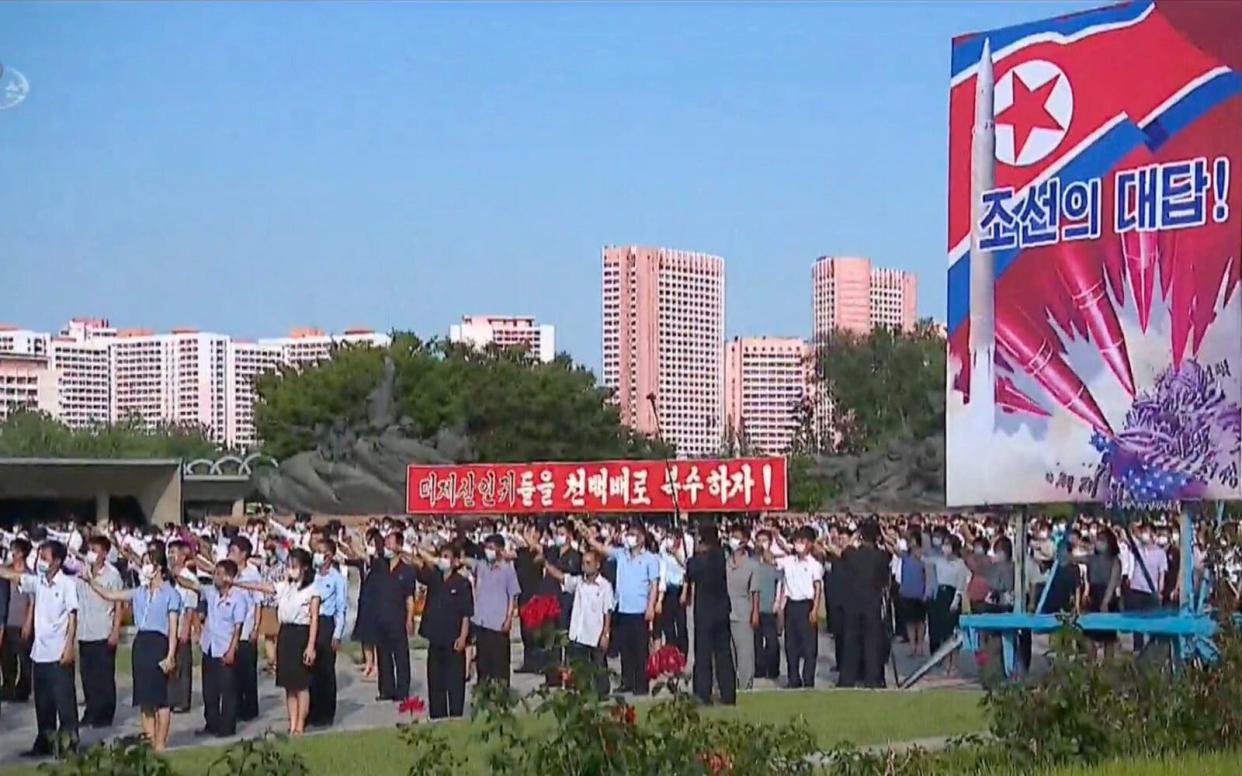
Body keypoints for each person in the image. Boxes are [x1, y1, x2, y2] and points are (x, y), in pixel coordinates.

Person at [85, 541, 180, 752]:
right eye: (143, 563)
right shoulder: (139, 592)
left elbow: (173, 627)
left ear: (159, 568)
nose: (144, 568)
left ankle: (160, 743)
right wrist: (90, 581)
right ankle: (149, 739)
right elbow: (110, 595)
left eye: (148, 563)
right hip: (142, 643)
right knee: (145, 698)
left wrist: (171, 654)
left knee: (161, 698)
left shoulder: (170, 594)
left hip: (159, 643)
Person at [0, 540, 80, 757]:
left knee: (64, 702)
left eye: (44, 557)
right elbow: (12, 576)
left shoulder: (67, 584)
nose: (40, 561)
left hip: (59, 653)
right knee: (43, 704)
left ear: (57, 561)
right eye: (39, 556)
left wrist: (69, 646)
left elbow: (73, 616)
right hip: (40, 653)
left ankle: (69, 744)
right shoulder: (39, 582)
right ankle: (44, 742)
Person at [234, 547, 321, 735]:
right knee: (289, 684)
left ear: (304, 568)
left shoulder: (312, 590)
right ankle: (292, 723)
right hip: (286, 633)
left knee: (301, 683)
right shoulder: (285, 587)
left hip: (302, 633)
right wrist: (238, 584)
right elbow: (263, 587)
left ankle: (300, 724)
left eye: (294, 566)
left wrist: (311, 646)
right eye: (289, 566)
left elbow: (314, 618)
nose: (291, 570)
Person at [174, 559, 246, 737]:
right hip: (209, 648)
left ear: (229, 577)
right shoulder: (211, 592)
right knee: (209, 691)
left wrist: (231, 650)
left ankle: (227, 727)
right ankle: (211, 723)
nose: (216, 577)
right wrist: (175, 574)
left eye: (220, 573)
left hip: (225, 649)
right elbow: (192, 585)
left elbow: (238, 628)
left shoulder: (238, 598)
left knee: (227, 692)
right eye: (215, 573)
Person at [536, 544, 614, 698]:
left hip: (595, 634)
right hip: (579, 634)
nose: (585, 566)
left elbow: (607, 612)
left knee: (599, 668)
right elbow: (561, 577)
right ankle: (583, 692)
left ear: (597, 565)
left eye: (588, 563)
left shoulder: (605, 586)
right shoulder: (579, 583)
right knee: (579, 667)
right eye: (583, 563)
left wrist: (606, 634)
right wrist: (545, 563)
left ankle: (602, 694)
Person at [589, 524, 658, 695]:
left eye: (633, 535)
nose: (629, 538)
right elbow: (602, 549)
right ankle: (627, 681)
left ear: (641, 538)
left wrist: (651, 606)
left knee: (640, 649)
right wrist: (587, 535)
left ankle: (641, 684)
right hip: (622, 608)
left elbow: (654, 585)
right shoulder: (621, 555)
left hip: (639, 610)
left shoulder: (650, 559)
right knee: (625, 649)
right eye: (628, 534)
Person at [408, 544, 472, 718]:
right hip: (435, 638)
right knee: (435, 680)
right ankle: (438, 714)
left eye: (447, 556)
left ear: (456, 561)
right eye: (441, 556)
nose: (443, 559)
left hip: (454, 640)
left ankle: (456, 713)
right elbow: (419, 566)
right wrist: (410, 551)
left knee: (455, 681)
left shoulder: (462, 583)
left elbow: (466, 613)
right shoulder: (434, 578)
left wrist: (463, 637)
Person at [75, 535, 122, 728]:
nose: (92, 553)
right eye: (90, 549)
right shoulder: (82, 572)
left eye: (96, 549)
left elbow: (119, 604)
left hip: (103, 631)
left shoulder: (113, 575)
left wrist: (115, 630)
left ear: (104, 552)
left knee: (103, 676)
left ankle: (105, 713)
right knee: (87, 675)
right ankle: (91, 711)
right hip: (85, 631)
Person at [685, 525, 736, 705]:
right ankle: (728, 694)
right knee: (724, 654)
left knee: (703, 655)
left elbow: (690, 572)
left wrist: (690, 559)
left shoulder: (699, 560)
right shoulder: (721, 556)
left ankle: (702, 693)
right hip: (722, 611)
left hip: (705, 612)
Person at [836, 522, 891, 688]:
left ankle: (847, 678)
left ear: (861, 537)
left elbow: (843, 549)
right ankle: (872, 678)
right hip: (872, 602)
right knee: (872, 643)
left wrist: (854, 536)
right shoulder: (881, 556)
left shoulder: (851, 554)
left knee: (851, 641)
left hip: (852, 603)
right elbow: (884, 581)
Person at [466, 534, 520, 687]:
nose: (488, 551)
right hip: (481, 622)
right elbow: (464, 561)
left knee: (499, 666)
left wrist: (509, 619)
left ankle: (501, 699)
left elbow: (512, 596)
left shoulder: (507, 570)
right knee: (483, 665)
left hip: (498, 625)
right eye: (486, 548)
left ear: (500, 550)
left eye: (491, 548)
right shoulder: (481, 566)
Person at [774, 527, 824, 689]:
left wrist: (815, 609)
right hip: (791, 605)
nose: (798, 545)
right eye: (796, 541)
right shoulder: (788, 561)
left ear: (810, 544)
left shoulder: (814, 565)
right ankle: (793, 678)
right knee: (791, 645)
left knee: (809, 647)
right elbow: (771, 561)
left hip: (806, 605)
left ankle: (808, 679)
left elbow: (817, 588)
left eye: (802, 541)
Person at [373, 531, 417, 701]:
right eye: (386, 543)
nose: (387, 546)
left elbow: (410, 597)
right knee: (383, 656)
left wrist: (409, 619)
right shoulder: (380, 567)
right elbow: (362, 556)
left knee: (400, 656)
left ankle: (402, 689)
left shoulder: (406, 571)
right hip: (381, 617)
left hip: (398, 618)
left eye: (390, 543)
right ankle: (386, 689)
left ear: (398, 546)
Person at [308, 538, 347, 728]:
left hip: (326, 624)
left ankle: (326, 714)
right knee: (310, 671)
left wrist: (337, 633)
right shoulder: (311, 575)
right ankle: (311, 712)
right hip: (309, 622)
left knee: (325, 671)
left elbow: (341, 608)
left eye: (321, 551)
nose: (317, 554)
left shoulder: (337, 579)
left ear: (329, 556)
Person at [928, 535, 969, 676]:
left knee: (953, 632)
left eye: (948, 544)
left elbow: (961, 584)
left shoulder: (960, 564)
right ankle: (946, 663)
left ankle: (954, 665)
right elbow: (924, 558)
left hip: (952, 595)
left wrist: (956, 600)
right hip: (941, 594)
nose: (945, 547)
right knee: (942, 633)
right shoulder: (939, 561)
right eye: (944, 544)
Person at [724, 526, 759, 692]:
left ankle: (746, 684)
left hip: (744, 611)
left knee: (744, 652)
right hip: (725, 610)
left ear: (744, 541)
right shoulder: (725, 562)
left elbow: (755, 592)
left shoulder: (752, 565)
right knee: (727, 652)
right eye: (732, 536)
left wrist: (755, 613)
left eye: (736, 537)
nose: (733, 539)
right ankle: (728, 684)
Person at [1125, 523, 1168, 653]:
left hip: (1151, 591)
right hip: (1136, 589)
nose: (1145, 535)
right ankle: (1137, 648)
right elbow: (1128, 536)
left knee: (1152, 621)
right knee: (1136, 621)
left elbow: (1162, 573)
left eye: (1147, 532)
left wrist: (1160, 591)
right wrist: (1134, 526)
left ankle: (1152, 648)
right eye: (1144, 532)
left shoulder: (1161, 554)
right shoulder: (1138, 549)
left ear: (1153, 535)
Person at [167, 540, 198, 714]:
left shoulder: (189, 577)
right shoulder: (168, 576)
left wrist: (187, 626)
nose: (171, 556)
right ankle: (171, 698)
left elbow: (191, 604)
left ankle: (183, 700)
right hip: (168, 624)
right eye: (169, 552)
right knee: (171, 662)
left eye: (174, 552)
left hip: (181, 623)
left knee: (182, 662)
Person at [2, 537, 34, 703]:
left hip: (21, 622)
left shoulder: (29, 575)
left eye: (15, 550)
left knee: (24, 658)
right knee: (7, 658)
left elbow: (32, 602)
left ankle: (23, 690)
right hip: (6, 620)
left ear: (22, 554)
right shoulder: (5, 571)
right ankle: (8, 688)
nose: (12, 553)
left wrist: (28, 622)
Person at [1086, 528, 1122, 661]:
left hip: (1107, 598)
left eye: (1102, 540)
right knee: (1088, 636)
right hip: (1094, 596)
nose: (1098, 542)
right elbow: (1075, 559)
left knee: (1108, 638)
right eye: (1098, 539)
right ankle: (1092, 665)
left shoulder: (1115, 561)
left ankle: (1108, 669)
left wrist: (1105, 602)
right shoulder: (1092, 559)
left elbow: (1113, 582)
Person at [751, 531, 782, 680]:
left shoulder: (775, 562)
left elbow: (781, 582)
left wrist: (778, 603)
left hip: (770, 607)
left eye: (765, 540)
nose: (761, 543)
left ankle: (773, 669)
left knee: (772, 642)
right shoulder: (751, 561)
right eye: (759, 540)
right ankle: (759, 668)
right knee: (756, 641)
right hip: (755, 608)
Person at [896, 532, 928, 656]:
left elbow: (927, 575)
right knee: (909, 622)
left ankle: (920, 646)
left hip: (920, 594)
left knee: (920, 622)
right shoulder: (906, 555)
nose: (911, 543)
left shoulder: (924, 558)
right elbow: (895, 549)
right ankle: (912, 646)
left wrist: (926, 592)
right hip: (906, 593)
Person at [657, 532, 689, 654]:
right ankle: (672, 651)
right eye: (668, 537)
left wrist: (685, 592)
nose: (669, 540)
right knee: (668, 624)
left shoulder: (683, 551)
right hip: (667, 590)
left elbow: (686, 570)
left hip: (679, 589)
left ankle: (683, 652)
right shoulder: (664, 552)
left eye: (672, 538)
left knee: (681, 624)